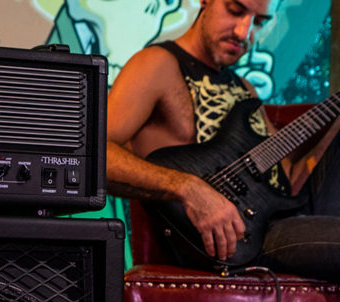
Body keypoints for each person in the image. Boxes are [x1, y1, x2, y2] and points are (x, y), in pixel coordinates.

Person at [106, 0, 340, 281]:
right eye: (235, 10)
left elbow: (289, 180)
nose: (244, 32)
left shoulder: (246, 90)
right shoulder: (156, 64)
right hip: (234, 239)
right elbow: (95, 155)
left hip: (283, 218)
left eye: (259, 22)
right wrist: (188, 187)